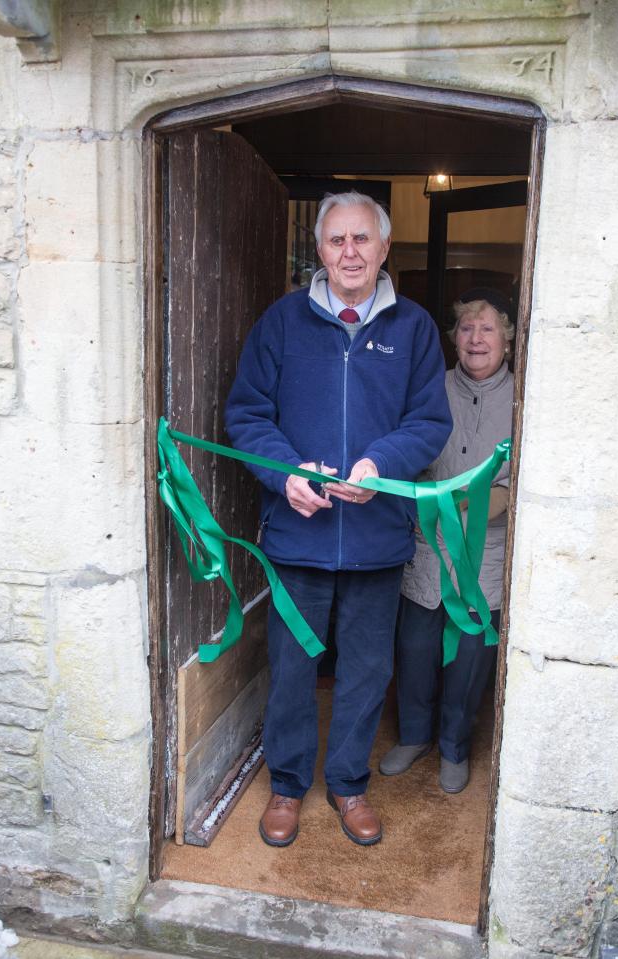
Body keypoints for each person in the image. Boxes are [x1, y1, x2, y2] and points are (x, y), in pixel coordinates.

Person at [224, 191, 452, 847]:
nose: (348, 252)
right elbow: (247, 415)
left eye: (361, 239)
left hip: (378, 540)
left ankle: (348, 784)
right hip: (300, 536)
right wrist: (284, 472)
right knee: (293, 670)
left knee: (366, 673)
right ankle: (289, 786)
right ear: (320, 250)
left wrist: (381, 464)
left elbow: (430, 422)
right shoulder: (281, 323)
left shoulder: (413, 330)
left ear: (384, 249)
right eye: (336, 240)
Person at [380, 287, 514, 794]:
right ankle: (414, 736)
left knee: (469, 659)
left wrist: (464, 507)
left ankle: (455, 747)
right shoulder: (430, 387)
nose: (475, 339)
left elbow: (516, 481)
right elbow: (408, 455)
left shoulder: (524, 397)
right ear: (453, 338)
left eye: (486, 329)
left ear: (507, 337)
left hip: (485, 555)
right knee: (414, 647)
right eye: (465, 329)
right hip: (426, 546)